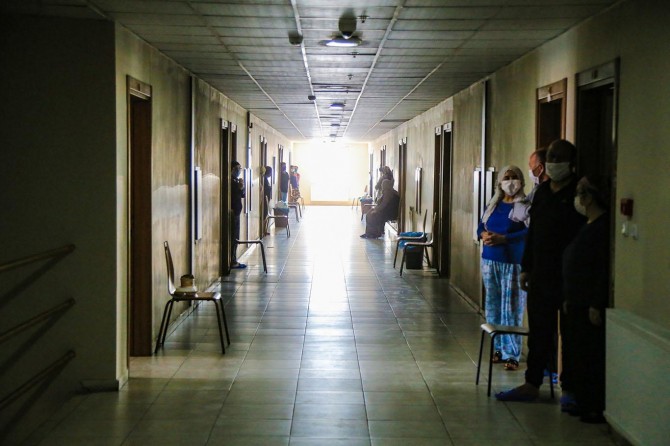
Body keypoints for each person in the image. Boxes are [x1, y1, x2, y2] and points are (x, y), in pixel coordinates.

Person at [496, 139, 585, 402]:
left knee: (571, 334)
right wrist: (526, 268)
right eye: (551, 157)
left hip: (570, 275)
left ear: (571, 162)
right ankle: (532, 383)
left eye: (559, 158)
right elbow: (533, 232)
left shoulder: (578, 192)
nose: (553, 162)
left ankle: (570, 387)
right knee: (539, 332)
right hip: (541, 274)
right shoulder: (543, 192)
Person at [563, 175, 610, 423]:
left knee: (590, 355)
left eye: (580, 193)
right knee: (577, 353)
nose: (577, 199)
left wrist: (595, 303)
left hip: (587, 302)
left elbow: (601, 268)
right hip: (575, 299)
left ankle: (593, 405)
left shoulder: (602, 227)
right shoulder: (586, 224)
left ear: (589, 197)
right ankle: (581, 400)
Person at [477, 165, 530, 371]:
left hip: (512, 263)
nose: (510, 181)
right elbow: (481, 226)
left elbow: (529, 232)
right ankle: (498, 348)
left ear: (521, 181)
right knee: (493, 307)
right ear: (499, 182)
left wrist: (504, 239)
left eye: (514, 177)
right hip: (490, 261)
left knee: (512, 309)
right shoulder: (493, 205)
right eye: (506, 177)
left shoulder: (524, 206)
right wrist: (483, 235)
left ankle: (512, 353)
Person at [230, 161, 246, 269]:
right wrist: (239, 188)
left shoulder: (236, 181)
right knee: (234, 237)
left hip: (237, 212)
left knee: (236, 237)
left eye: (239, 169)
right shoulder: (230, 181)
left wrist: (242, 187)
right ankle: (232, 260)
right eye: (236, 169)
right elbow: (234, 195)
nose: (238, 171)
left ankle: (234, 259)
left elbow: (242, 195)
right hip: (233, 212)